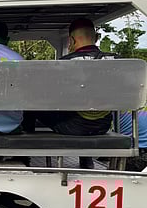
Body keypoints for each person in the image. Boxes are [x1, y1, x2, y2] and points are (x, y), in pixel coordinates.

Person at [23, 18, 117, 169]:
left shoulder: (65, 64)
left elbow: (51, 96)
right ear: (97, 38)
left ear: (71, 40)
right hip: (103, 125)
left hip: (74, 128)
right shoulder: (116, 60)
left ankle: (24, 154)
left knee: (30, 104)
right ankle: (85, 158)